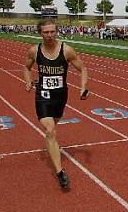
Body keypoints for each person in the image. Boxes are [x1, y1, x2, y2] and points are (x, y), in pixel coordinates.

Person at [23, 18, 89, 189]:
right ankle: (60, 172)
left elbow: (83, 69)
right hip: (43, 95)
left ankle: (51, 146)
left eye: (52, 31)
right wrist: (28, 81)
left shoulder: (66, 50)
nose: (50, 35)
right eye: (46, 32)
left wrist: (83, 87)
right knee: (50, 130)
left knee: (53, 128)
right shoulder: (34, 51)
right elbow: (26, 67)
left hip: (60, 96)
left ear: (56, 32)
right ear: (40, 33)